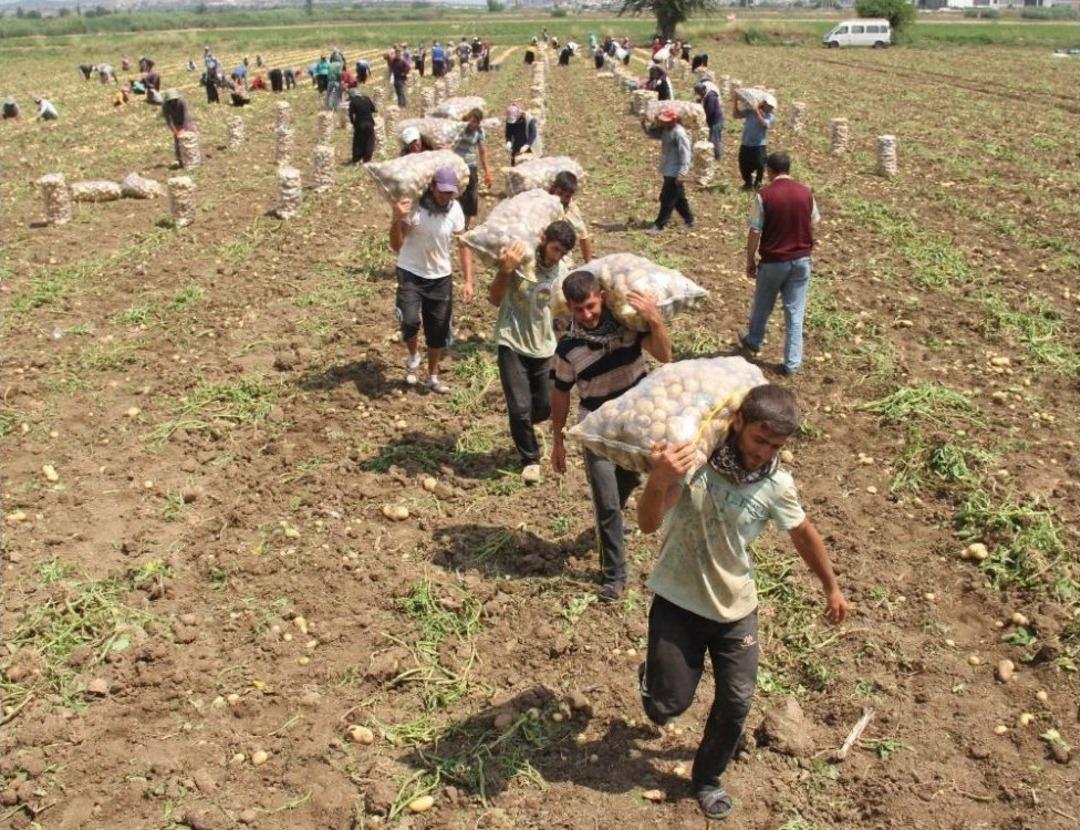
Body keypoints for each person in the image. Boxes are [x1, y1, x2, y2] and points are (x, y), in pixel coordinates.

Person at [636, 385, 847, 821]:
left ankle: (708, 778)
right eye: (759, 440)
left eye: (775, 446)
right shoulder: (693, 461)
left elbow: (803, 534)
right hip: (678, 599)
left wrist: (831, 585)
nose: (764, 452)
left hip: (735, 611)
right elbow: (647, 523)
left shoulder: (776, 485)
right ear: (738, 424)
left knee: (736, 702)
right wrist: (658, 479)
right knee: (666, 706)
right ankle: (654, 680)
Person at [551, 270, 672, 601]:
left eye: (591, 306)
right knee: (606, 503)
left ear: (602, 297)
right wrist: (558, 439)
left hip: (636, 421)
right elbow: (561, 392)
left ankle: (612, 525)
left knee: (631, 480)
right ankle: (614, 575)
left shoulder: (628, 327)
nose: (587, 316)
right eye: (579, 310)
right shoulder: (568, 347)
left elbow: (664, 355)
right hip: (597, 428)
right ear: (570, 308)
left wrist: (655, 320)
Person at [490, 222, 577, 483]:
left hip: (545, 346)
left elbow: (563, 311)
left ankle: (528, 425)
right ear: (542, 240)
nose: (556, 256)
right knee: (519, 408)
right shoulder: (520, 261)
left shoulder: (562, 271)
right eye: (554, 249)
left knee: (543, 407)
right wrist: (505, 271)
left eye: (562, 253)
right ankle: (530, 459)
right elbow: (494, 299)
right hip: (512, 342)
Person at [389, 167, 475, 393]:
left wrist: (468, 280)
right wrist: (396, 220)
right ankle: (413, 357)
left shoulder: (455, 209)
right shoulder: (416, 207)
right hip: (410, 272)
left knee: (437, 330)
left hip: (440, 276)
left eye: (450, 192)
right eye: (442, 191)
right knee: (409, 321)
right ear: (432, 187)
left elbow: (463, 244)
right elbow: (396, 245)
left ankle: (433, 376)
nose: (446, 196)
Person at [740, 152, 820, 377]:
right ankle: (792, 363)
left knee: (763, 304)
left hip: (774, 261)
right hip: (802, 260)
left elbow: (755, 229)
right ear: (788, 169)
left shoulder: (765, 195)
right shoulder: (806, 193)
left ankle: (754, 340)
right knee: (795, 313)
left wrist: (750, 260)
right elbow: (813, 221)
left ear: (769, 170)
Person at [648, 109, 694, 234]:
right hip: (668, 168)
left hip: (674, 171)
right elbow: (652, 134)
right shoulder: (666, 130)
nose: (663, 123)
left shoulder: (679, 133)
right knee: (678, 198)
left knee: (667, 199)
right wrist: (648, 122)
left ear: (674, 120)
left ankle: (659, 225)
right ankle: (690, 219)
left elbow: (686, 154)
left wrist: (682, 173)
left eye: (666, 121)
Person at [452, 108, 493, 229]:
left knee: (471, 196)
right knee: (456, 195)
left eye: (477, 122)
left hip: (471, 166)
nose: (474, 124)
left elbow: (482, 151)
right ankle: (454, 225)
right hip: (456, 166)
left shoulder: (479, 131)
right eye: (473, 121)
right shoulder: (459, 127)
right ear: (468, 119)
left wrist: (487, 172)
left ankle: (465, 225)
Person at [734, 92, 776, 191]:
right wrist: (735, 101)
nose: (770, 108)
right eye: (768, 106)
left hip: (759, 145)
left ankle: (758, 184)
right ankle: (748, 183)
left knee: (760, 165)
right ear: (764, 103)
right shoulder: (750, 112)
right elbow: (736, 115)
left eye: (771, 107)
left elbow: (763, 123)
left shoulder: (770, 116)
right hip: (746, 143)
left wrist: (756, 109)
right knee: (743, 164)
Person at [549, 171, 592, 263]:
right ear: (553, 189)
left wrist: (589, 264)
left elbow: (583, 237)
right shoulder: (542, 205)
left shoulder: (571, 209)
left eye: (567, 196)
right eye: (560, 194)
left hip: (563, 259)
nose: (562, 199)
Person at [161, 89, 194, 168]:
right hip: (176, 123)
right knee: (178, 141)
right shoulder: (165, 106)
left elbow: (186, 115)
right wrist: (174, 130)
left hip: (185, 121)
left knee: (190, 139)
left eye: (174, 100)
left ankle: (192, 158)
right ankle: (180, 159)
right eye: (171, 100)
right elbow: (169, 119)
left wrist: (186, 127)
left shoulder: (182, 102)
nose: (173, 102)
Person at [694, 80, 724, 162]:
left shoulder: (711, 97)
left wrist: (702, 117)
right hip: (713, 121)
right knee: (714, 139)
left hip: (716, 121)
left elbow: (709, 111)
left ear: (703, 91)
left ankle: (718, 158)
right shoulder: (706, 96)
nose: (699, 95)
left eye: (699, 93)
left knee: (715, 140)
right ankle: (716, 156)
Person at [349, 88, 377, 164]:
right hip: (370, 123)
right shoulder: (367, 98)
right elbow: (374, 109)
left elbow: (351, 114)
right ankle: (367, 159)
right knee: (369, 141)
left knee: (358, 141)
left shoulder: (353, 101)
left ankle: (357, 159)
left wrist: (352, 123)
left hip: (360, 124)